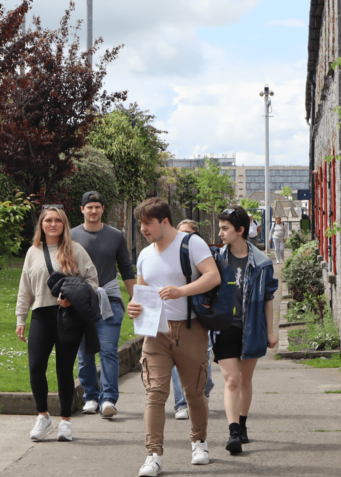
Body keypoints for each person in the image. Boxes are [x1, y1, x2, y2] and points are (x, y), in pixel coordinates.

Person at [127, 198, 221, 476]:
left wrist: (182, 291)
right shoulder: (145, 255)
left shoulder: (191, 243)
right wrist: (135, 307)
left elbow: (213, 276)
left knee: (194, 393)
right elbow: (142, 295)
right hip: (156, 333)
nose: (143, 228)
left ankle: (199, 441)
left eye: (148, 223)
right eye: (141, 223)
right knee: (155, 394)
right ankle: (153, 454)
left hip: (190, 329)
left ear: (164, 222)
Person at [15, 205, 99, 442]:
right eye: (48, 220)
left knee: (64, 369)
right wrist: (21, 318)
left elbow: (92, 281)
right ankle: (43, 416)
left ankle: (65, 421)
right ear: (41, 225)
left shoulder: (76, 249)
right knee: (36, 367)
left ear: (64, 225)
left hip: (68, 317)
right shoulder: (33, 251)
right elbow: (25, 288)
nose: (53, 224)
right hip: (41, 314)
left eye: (58, 221)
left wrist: (73, 300)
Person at [213, 206, 278, 455]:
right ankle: (233, 433)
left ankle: (242, 424)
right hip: (224, 327)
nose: (220, 233)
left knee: (246, 380)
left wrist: (270, 331)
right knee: (232, 380)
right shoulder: (216, 259)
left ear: (240, 230)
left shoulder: (262, 263)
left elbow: (268, 298)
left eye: (225, 228)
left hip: (251, 327)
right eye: (220, 228)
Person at [72, 191, 135, 418]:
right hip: (80, 302)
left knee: (108, 351)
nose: (94, 211)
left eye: (97, 207)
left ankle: (108, 398)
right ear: (82, 210)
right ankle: (90, 396)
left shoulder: (115, 235)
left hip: (109, 300)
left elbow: (126, 267)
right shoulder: (71, 236)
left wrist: (133, 296)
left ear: (102, 209)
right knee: (84, 353)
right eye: (89, 207)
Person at [171, 219, 215, 421]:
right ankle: (181, 403)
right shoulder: (169, 254)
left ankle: (201, 391)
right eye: (181, 234)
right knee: (175, 361)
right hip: (175, 319)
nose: (184, 238)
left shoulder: (203, 256)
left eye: (188, 234)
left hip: (200, 316)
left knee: (203, 362)